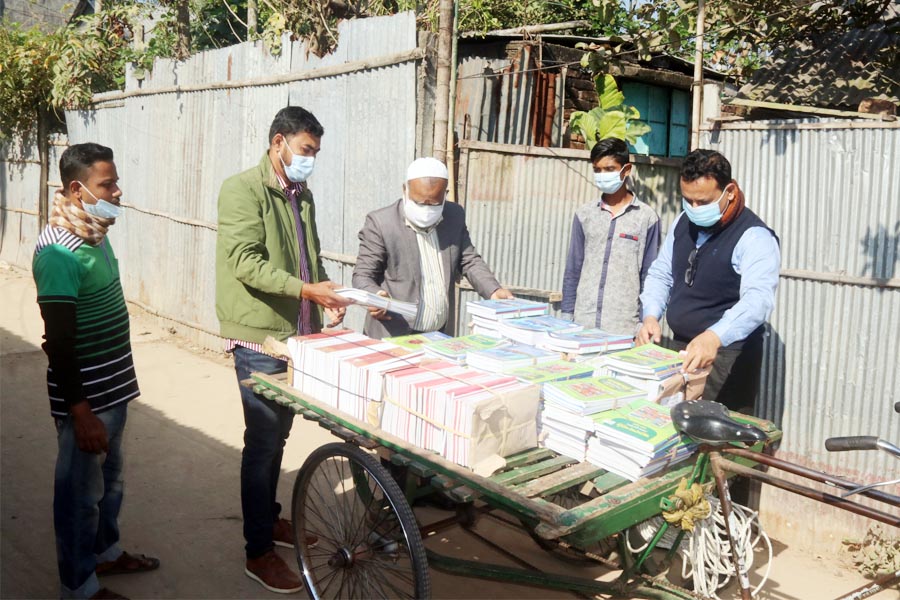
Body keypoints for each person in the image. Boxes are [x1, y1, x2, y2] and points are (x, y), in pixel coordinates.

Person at [216, 106, 351, 594]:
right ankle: (258, 551)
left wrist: (323, 301)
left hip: (295, 333)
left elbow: (307, 258)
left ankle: (270, 519)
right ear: (279, 143)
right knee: (264, 439)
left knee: (280, 434)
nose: (310, 159)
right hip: (258, 335)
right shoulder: (242, 189)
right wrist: (308, 292)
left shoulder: (301, 193)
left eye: (315, 152)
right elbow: (245, 262)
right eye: (305, 150)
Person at [33, 143, 159, 600]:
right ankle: (79, 586)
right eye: (107, 184)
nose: (118, 191)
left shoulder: (93, 233)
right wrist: (80, 412)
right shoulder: (58, 254)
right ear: (77, 189)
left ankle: (106, 555)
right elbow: (59, 345)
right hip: (88, 398)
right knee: (78, 497)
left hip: (114, 387)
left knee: (111, 481)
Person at [637, 149, 780, 415]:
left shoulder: (755, 238)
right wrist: (651, 315)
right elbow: (661, 273)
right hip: (683, 350)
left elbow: (758, 300)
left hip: (727, 356)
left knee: (717, 437)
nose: (694, 209)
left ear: (730, 192)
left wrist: (714, 336)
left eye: (703, 202)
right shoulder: (683, 222)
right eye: (688, 200)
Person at [352, 157, 513, 339]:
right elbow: (362, 276)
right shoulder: (381, 223)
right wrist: (376, 297)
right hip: (392, 336)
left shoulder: (454, 216)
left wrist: (493, 290)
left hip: (439, 337)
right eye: (419, 203)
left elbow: (469, 260)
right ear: (405, 190)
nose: (426, 209)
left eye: (434, 204)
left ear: (445, 194)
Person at [561, 137, 660, 335]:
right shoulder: (585, 214)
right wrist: (566, 316)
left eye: (609, 169)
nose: (602, 175)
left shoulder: (646, 217)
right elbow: (574, 268)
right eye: (597, 170)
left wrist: (644, 322)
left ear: (626, 170)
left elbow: (650, 275)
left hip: (624, 328)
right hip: (583, 324)